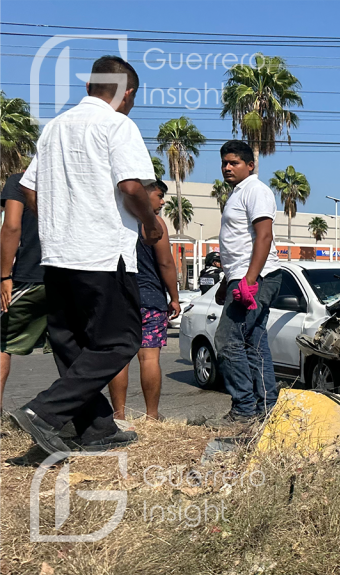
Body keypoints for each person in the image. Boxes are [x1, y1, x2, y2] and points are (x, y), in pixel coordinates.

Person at [11, 56, 161, 455]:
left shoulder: (54, 127)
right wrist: (149, 223)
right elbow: (131, 187)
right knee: (121, 341)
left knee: (72, 344)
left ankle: (97, 429)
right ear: (126, 92)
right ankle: (44, 411)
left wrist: (59, 219)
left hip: (58, 254)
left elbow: (29, 189)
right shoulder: (118, 125)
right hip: (102, 254)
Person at [205, 140, 282, 428]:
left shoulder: (256, 191)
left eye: (234, 162)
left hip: (259, 277)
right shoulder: (238, 194)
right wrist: (228, 281)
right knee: (254, 343)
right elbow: (238, 246)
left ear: (250, 165)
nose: (227, 167)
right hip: (244, 276)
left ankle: (244, 409)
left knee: (227, 340)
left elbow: (264, 236)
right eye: (224, 162)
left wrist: (249, 280)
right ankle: (266, 407)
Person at [108, 181, 180, 425]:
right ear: (144, 192)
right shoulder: (155, 223)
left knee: (119, 358)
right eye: (159, 196)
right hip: (150, 299)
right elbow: (166, 263)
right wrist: (175, 297)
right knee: (149, 359)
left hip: (119, 299)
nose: (162, 202)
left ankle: (119, 415)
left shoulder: (115, 219)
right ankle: (152, 415)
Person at [0, 173, 48, 415]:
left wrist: (4, 276)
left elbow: (11, 226)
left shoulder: (20, 181)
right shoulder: (74, 178)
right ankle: (82, 417)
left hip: (32, 274)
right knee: (69, 345)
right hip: (74, 275)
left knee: (1, 343)